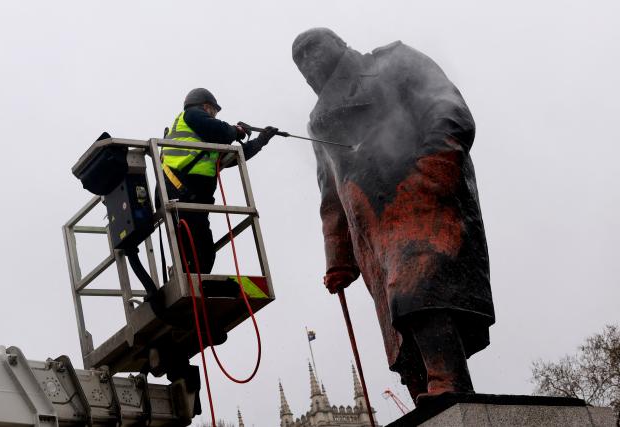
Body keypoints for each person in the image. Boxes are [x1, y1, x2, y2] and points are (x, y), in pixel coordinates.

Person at [292, 28, 495, 405]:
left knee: (420, 290)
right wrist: (338, 256)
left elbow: (448, 107)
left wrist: (434, 166)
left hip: (421, 197)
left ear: (338, 44)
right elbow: (330, 189)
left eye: (312, 50)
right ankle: (424, 390)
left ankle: (448, 380)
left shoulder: (393, 62)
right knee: (394, 318)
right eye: (299, 60)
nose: (307, 62)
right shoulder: (318, 121)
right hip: (369, 227)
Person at [159, 88, 277, 274]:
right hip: (183, 192)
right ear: (205, 106)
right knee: (202, 253)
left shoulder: (202, 139)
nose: (214, 116)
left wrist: (261, 141)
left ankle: (190, 283)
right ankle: (192, 285)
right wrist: (236, 130)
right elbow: (220, 130)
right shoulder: (191, 115)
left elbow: (233, 157)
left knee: (200, 253)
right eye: (213, 111)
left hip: (193, 198)